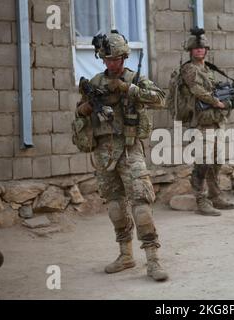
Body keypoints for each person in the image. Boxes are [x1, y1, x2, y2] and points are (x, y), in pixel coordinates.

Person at [75, 30, 168, 281]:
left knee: (141, 204)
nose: (111, 63)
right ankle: (125, 255)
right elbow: (80, 114)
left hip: (129, 149)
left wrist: (128, 88)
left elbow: (160, 99)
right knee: (115, 206)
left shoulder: (135, 79)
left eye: (116, 58)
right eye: (107, 59)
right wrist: (85, 108)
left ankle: (153, 260)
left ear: (124, 58)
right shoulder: (94, 83)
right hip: (104, 153)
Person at [178, 29, 234, 217]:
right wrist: (217, 102)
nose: (199, 51)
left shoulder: (209, 70)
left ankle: (215, 195)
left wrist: (229, 98)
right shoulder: (189, 69)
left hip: (216, 122)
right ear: (190, 50)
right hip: (201, 124)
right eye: (196, 48)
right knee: (202, 163)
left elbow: (214, 90)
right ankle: (201, 200)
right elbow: (197, 90)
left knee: (217, 161)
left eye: (202, 48)